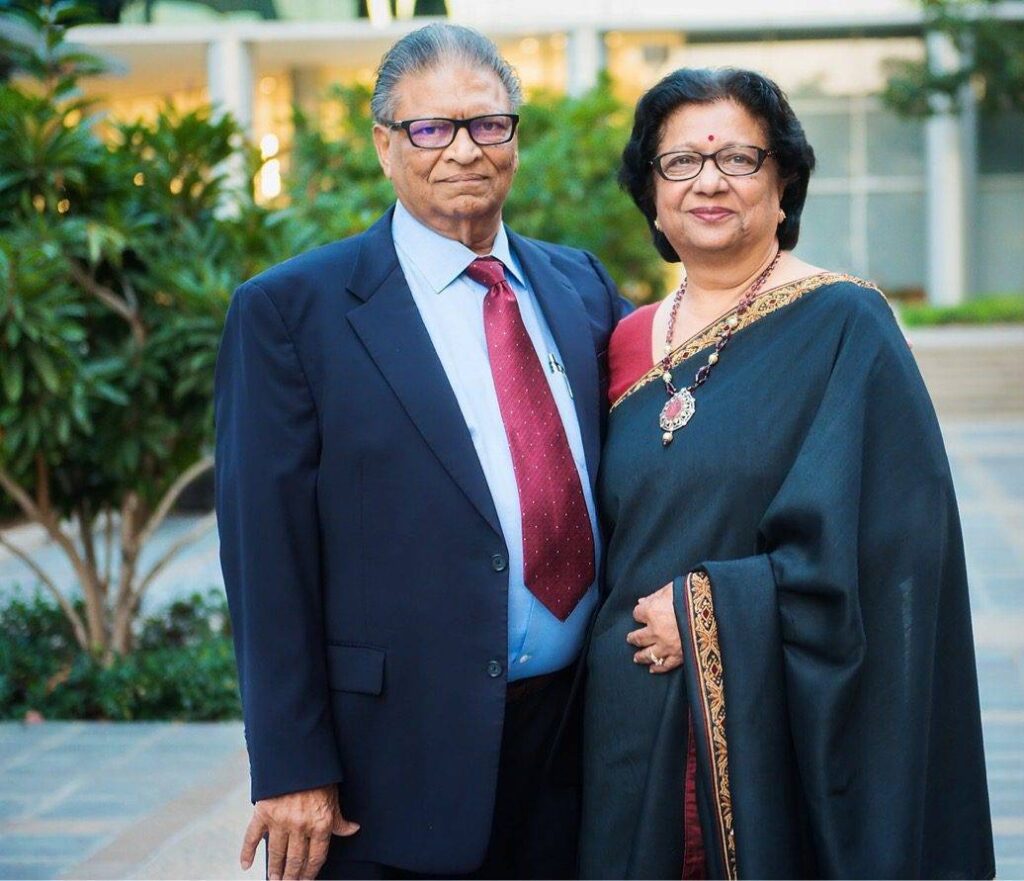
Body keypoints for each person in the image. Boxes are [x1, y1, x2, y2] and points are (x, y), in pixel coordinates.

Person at [215, 23, 630, 881]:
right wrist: (293, 768)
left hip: (573, 748)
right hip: (391, 770)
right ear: (384, 144)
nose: (464, 150)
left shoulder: (578, 285)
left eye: (488, 124)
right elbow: (266, 555)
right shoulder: (293, 312)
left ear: (514, 135)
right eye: (430, 128)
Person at [579, 67, 995, 880]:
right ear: (651, 193)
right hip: (624, 732)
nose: (707, 180)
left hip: (767, 740)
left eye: (739, 158)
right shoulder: (622, 341)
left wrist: (712, 611)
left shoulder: (847, 325)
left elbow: (896, 555)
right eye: (679, 163)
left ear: (783, 184)